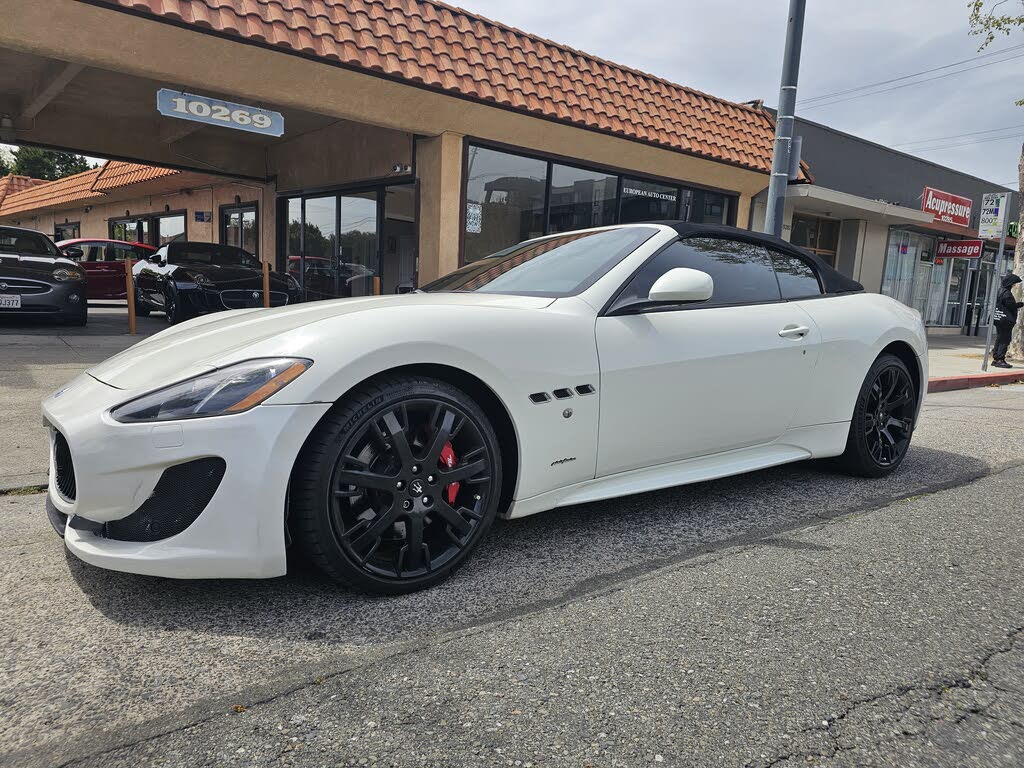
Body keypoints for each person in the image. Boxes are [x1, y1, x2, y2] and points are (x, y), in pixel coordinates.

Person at [992, 272, 1024, 369]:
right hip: (1005, 320)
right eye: (1014, 283)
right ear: (1010, 283)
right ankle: (1000, 359)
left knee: (999, 338)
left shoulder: (1000, 291)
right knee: (1005, 339)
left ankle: (996, 358)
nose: (1015, 285)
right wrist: (1020, 304)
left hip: (999, 319)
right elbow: (1010, 305)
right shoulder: (1007, 293)